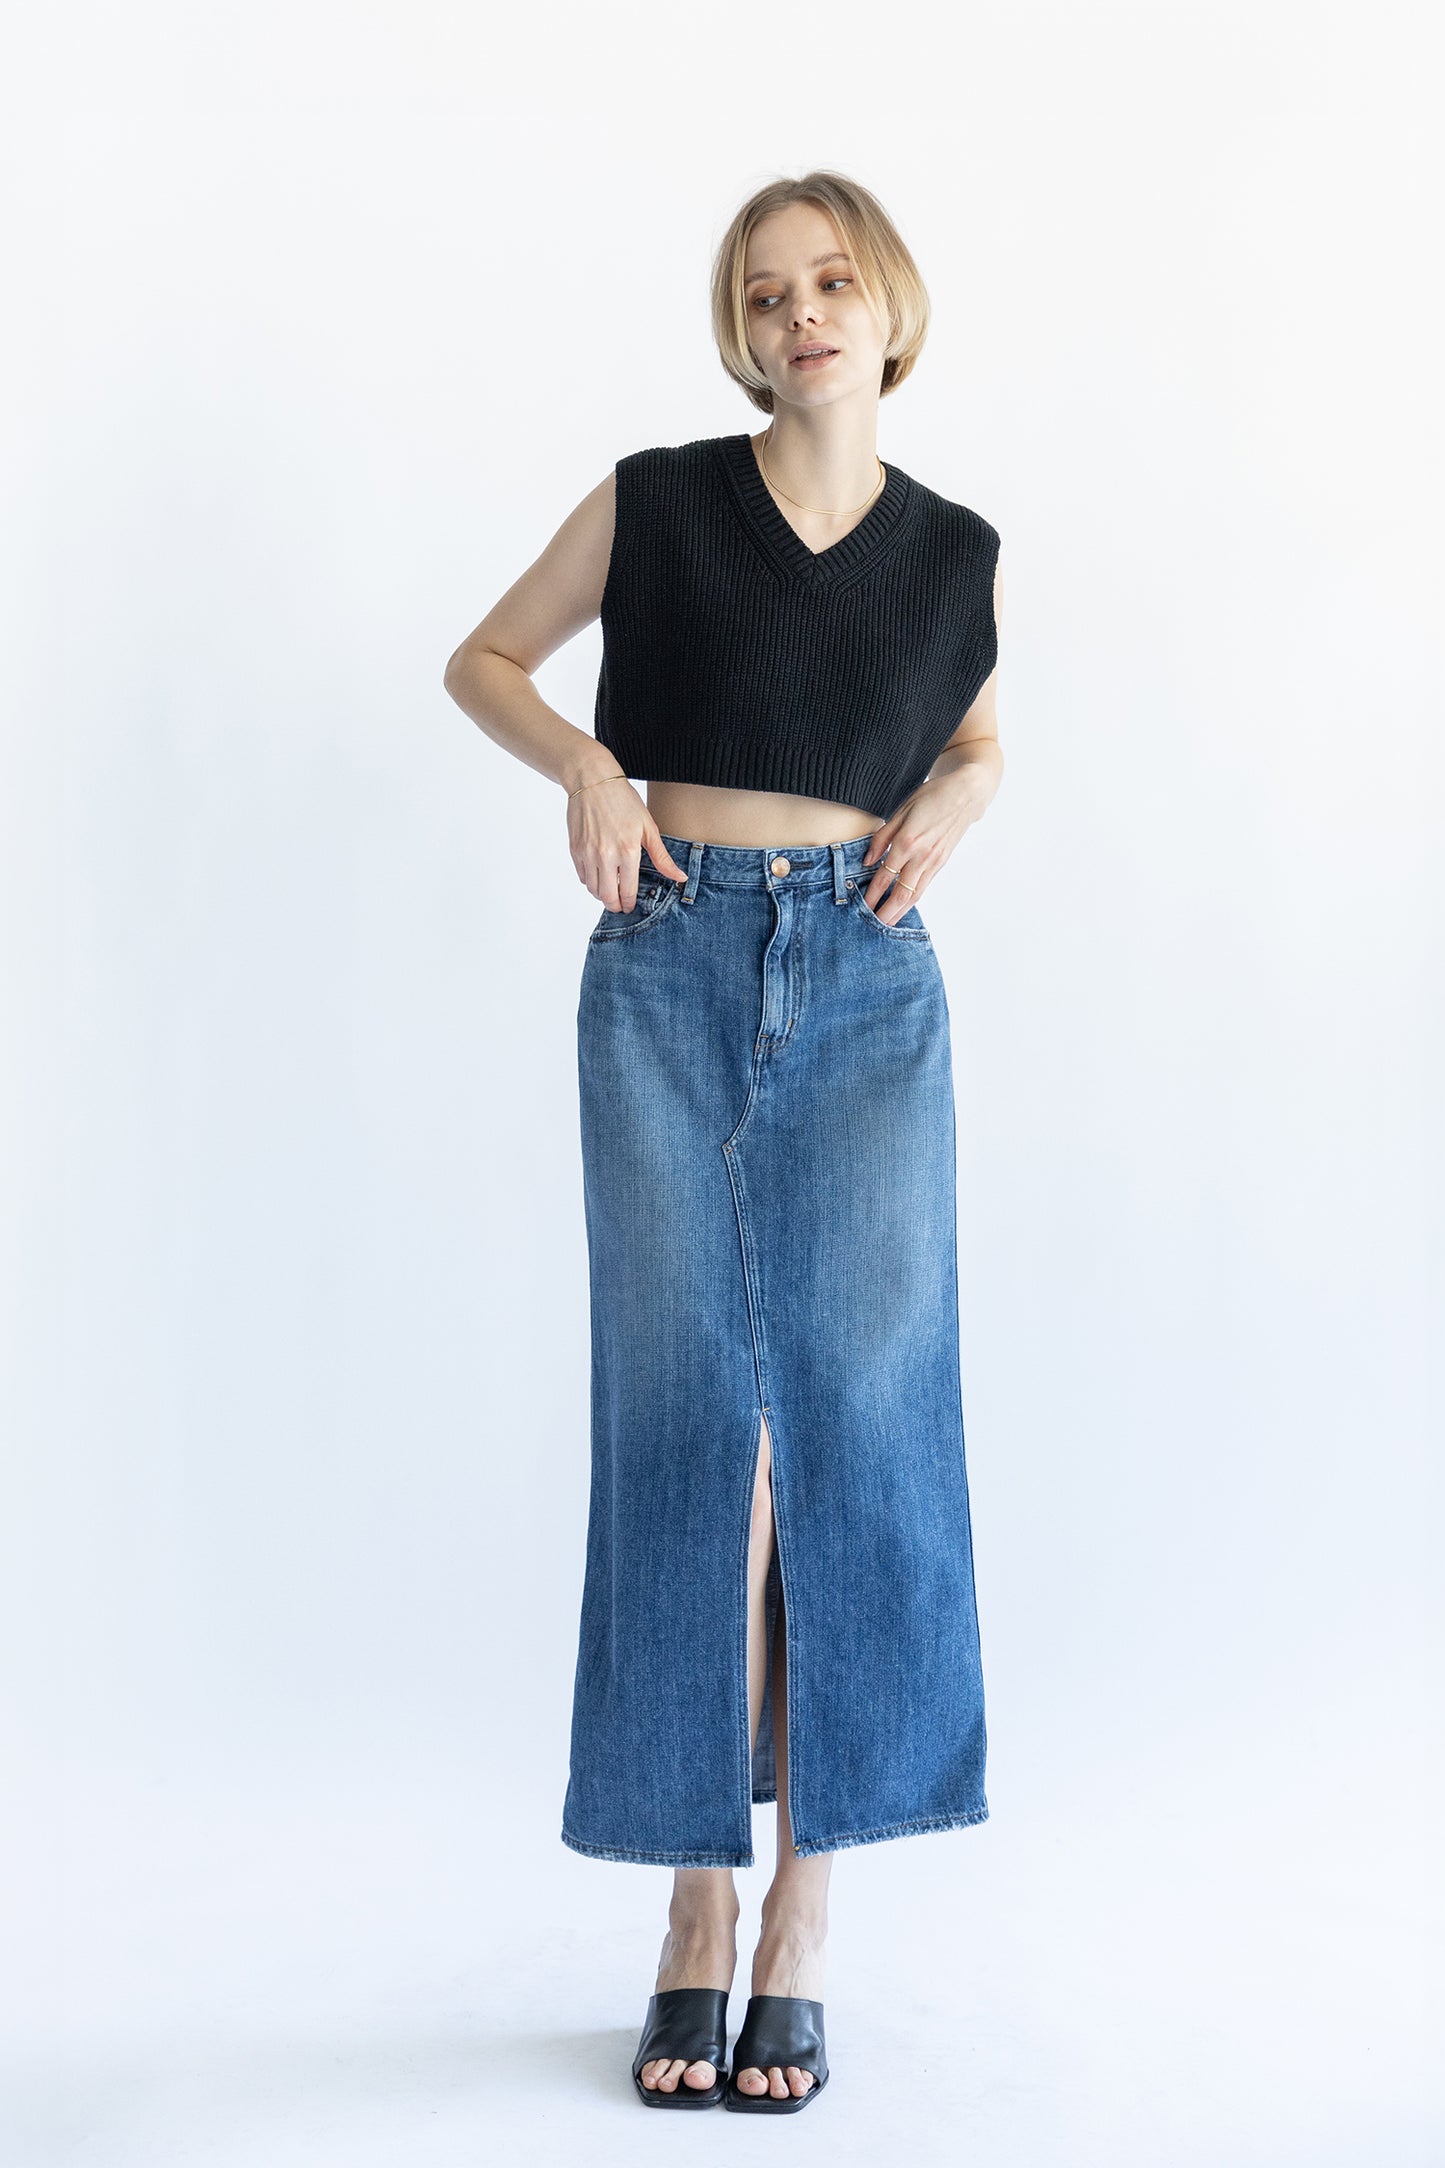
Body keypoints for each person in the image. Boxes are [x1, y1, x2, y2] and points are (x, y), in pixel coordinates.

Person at [443, 168, 1004, 2116]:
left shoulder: (955, 550)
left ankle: (804, 1919)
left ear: (888, 305)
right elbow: (486, 660)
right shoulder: (659, 501)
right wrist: (589, 766)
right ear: (739, 331)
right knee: (695, 1418)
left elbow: (971, 731)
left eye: (831, 282)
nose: (799, 316)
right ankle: (695, 1894)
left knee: (858, 1417)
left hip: (865, 979)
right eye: (765, 294)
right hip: (669, 963)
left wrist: (968, 795)